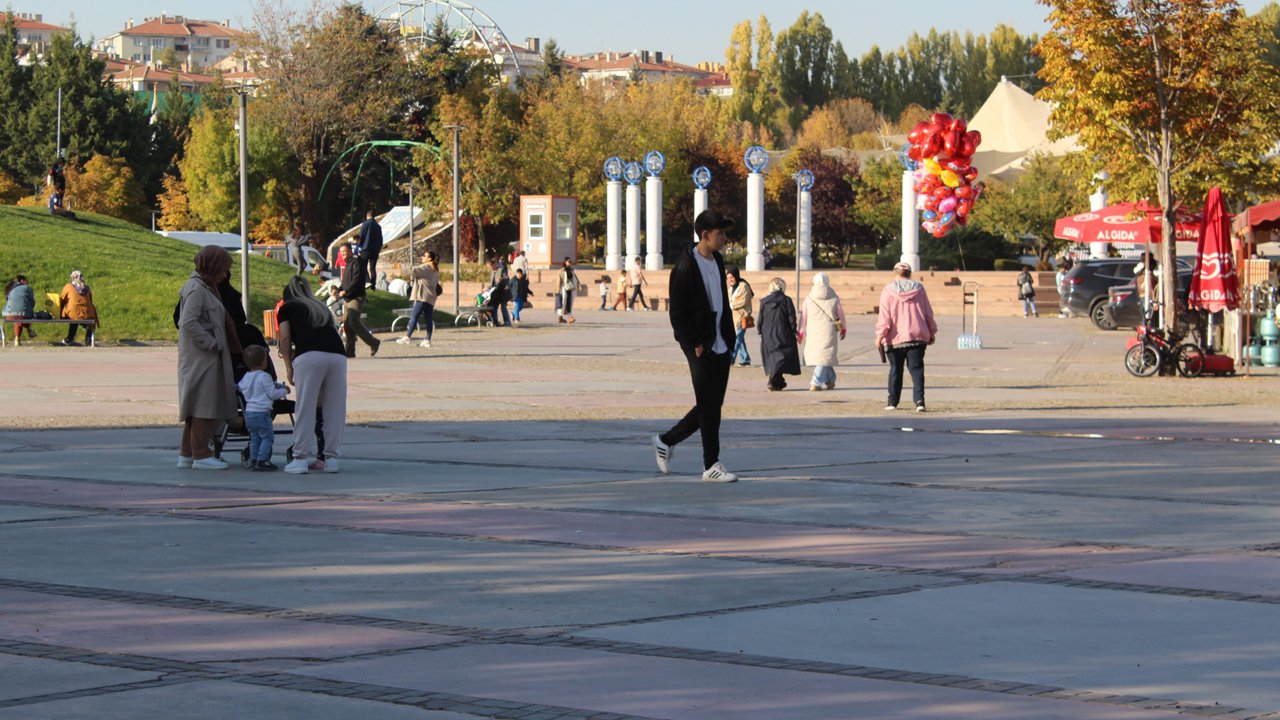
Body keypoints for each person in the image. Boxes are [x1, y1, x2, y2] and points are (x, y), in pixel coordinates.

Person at [652, 209, 739, 483]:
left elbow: (722, 304)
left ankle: (666, 440)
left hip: (721, 342)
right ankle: (710, 464)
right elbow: (677, 313)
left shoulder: (718, 260)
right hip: (700, 345)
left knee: (712, 404)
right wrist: (693, 343)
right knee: (709, 405)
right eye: (720, 234)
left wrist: (729, 337)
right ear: (705, 235)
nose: (724, 238)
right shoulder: (685, 267)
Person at [177, 246, 240, 470]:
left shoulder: (205, 287)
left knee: (196, 407)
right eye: (223, 269)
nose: (225, 275)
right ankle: (202, 455)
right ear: (212, 267)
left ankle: (187, 453)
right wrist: (211, 343)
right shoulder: (197, 289)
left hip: (203, 357)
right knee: (205, 406)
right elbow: (187, 322)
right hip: (202, 358)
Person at [277, 275, 348, 474]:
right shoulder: (320, 307)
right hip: (337, 355)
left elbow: (284, 338)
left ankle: (300, 457)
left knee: (305, 406)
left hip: (308, 355)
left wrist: (289, 366)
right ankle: (331, 458)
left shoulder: (287, 308)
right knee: (334, 407)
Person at [875, 262, 937, 412]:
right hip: (917, 335)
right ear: (909, 273)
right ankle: (920, 401)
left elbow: (885, 316)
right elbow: (928, 312)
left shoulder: (888, 290)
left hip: (895, 338)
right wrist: (932, 331)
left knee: (895, 370)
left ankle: (892, 401)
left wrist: (880, 335)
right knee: (917, 369)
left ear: (894, 272)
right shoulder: (920, 289)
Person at [237, 345, 289, 471]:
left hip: (249, 412)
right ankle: (263, 459)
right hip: (262, 413)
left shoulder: (246, 376)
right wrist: (284, 391)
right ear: (263, 362)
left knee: (254, 437)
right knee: (267, 437)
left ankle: (253, 459)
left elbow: (240, 387)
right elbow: (272, 394)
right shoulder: (265, 376)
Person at [798, 273, 847, 390]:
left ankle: (818, 382)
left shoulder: (809, 298)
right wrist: (843, 328)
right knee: (825, 356)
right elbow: (841, 315)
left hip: (813, 331)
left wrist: (800, 331)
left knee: (822, 357)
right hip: (829, 331)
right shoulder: (834, 297)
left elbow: (803, 317)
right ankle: (825, 380)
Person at [757, 277, 800, 391]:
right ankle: (773, 379)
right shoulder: (786, 300)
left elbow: (760, 318)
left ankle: (778, 381)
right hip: (783, 332)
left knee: (772, 356)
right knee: (783, 355)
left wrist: (760, 330)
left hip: (767, 333)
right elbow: (791, 317)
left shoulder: (764, 301)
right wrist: (793, 329)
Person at [337, 244, 380, 358]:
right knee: (347, 325)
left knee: (353, 321)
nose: (343, 254)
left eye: (345, 252)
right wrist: (339, 290)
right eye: (342, 252)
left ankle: (373, 342)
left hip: (356, 297)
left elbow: (356, 280)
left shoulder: (357, 262)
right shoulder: (348, 263)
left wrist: (346, 291)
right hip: (347, 298)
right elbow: (346, 281)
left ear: (351, 251)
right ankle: (350, 351)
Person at [397, 250, 440, 348]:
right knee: (428, 318)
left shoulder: (426, 267)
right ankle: (427, 340)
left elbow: (413, 270)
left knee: (414, 316)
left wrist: (401, 266)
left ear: (429, 258)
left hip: (423, 296)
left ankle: (407, 337)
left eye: (424, 256)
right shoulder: (435, 269)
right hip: (431, 297)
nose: (422, 257)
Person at [59, 270, 98, 346]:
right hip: (87, 313)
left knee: (74, 315)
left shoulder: (69, 286)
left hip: (73, 313)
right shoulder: (87, 288)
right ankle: (87, 331)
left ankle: (69, 339)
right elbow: (90, 301)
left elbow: (62, 299)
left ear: (73, 278)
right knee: (78, 316)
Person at [726, 266, 754, 367]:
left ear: (736, 276)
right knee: (740, 339)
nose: (730, 280)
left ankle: (731, 358)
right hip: (734, 318)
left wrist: (731, 305)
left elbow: (743, 300)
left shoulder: (744, 286)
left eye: (732, 277)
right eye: (728, 278)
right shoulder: (730, 289)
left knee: (737, 338)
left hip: (743, 317)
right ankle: (745, 359)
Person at [3, 275, 36, 341]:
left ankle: (18, 338)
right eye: (26, 281)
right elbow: (32, 303)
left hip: (9, 315)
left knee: (19, 317)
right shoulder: (28, 288)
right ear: (22, 280)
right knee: (23, 315)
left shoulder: (11, 289)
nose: (27, 283)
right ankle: (26, 332)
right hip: (22, 314)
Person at [357, 210, 383, 287]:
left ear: (367, 216)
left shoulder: (365, 224)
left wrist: (359, 246)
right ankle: (373, 283)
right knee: (372, 268)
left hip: (366, 248)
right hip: (375, 250)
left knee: (362, 265)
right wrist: (378, 249)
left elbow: (361, 237)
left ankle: (367, 281)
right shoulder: (378, 226)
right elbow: (380, 240)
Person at [488, 259, 511, 326]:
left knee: (503, 306)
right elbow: (492, 283)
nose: (489, 268)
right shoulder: (492, 272)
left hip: (503, 291)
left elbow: (507, 278)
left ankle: (507, 322)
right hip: (496, 293)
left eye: (490, 266)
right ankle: (495, 321)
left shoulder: (501, 269)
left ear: (494, 264)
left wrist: (502, 279)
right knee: (494, 306)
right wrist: (487, 288)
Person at [557, 257, 578, 324]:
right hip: (563, 288)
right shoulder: (561, 270)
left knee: (569, 302)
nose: (570, 263)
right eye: (569, 261)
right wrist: (557, 289)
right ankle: (569, 317)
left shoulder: (571, 270)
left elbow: (575, 278)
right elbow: (558, 280)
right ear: (565, 262)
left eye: (570, 261)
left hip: (570, 288)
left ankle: (563, 317)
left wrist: (578, 285)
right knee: (563, 302)